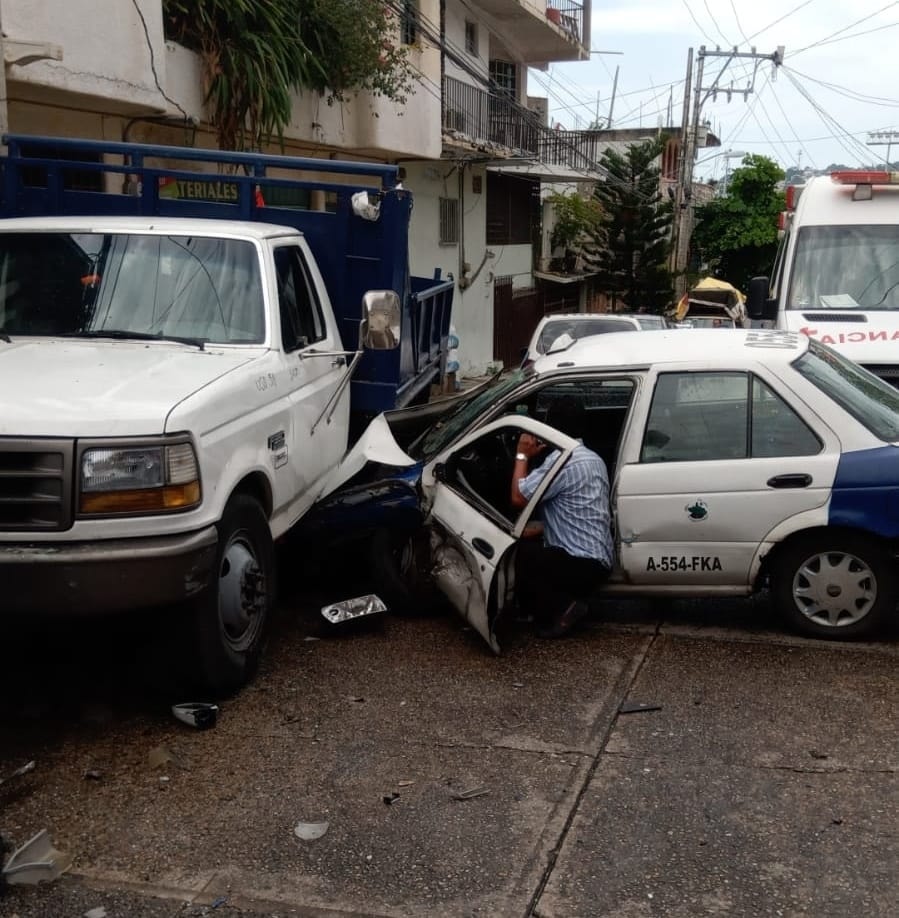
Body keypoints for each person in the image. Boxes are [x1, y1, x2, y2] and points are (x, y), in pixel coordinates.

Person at [509, 399, 613, 638]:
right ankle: (564, 601)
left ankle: (558, 608)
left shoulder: (561, 462)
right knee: (532, 543)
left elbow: (517, 497)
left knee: (523, 554)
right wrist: (535, 530)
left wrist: (522, 456)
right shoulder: (592, 458)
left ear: (551, 430)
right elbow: (575, 515)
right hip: (600, 562)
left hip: (579, 565)